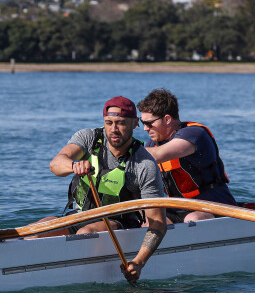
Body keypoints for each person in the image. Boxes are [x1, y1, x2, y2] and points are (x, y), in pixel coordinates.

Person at [34, 96, 167, 283]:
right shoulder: (88, 138)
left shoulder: (144, 164)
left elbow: (158, 223)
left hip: (119, 223)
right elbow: (55, 164)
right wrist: (73, 165)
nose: (114, 129)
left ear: (135, 123)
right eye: (109, 123)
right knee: (36, 231)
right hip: (80, 215)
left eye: (121, 123)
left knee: (85, 234)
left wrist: (139, 262)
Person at [137, 88, 237, 224]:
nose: (145, 128)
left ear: (167, 119)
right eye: (142, 123)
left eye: (149, 123)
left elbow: (157, 154)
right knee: (148, 221)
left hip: (215, 205)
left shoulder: (194, 134)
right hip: (178, 208)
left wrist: (119, 149)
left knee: (193, 219)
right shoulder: (152, 144)